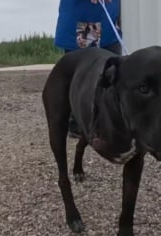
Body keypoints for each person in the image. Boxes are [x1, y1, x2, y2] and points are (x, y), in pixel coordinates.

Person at [54, 0, 122, 138]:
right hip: (82, 19)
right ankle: (77, 122)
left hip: (109, 21)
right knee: (81, 73)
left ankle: (111, 120)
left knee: (113, 72)